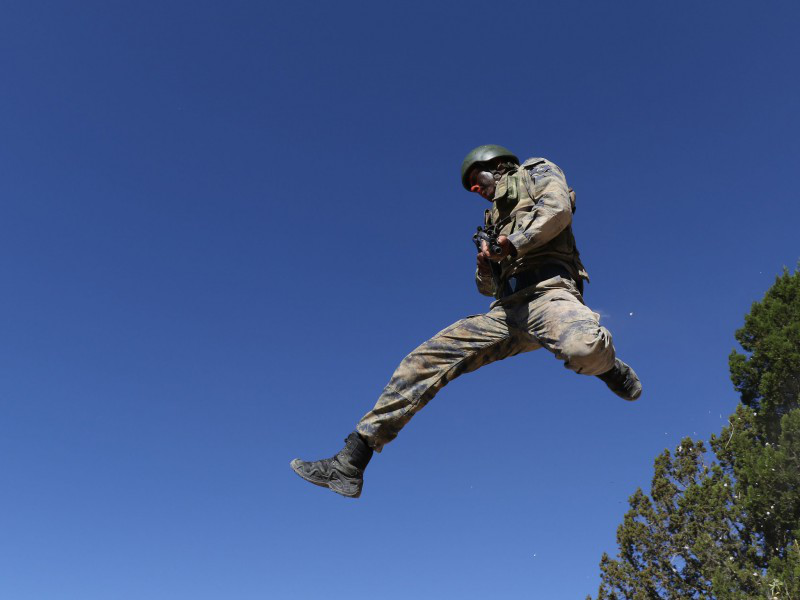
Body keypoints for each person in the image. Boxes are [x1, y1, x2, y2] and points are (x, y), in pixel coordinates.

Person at [290, 145, 642, 498]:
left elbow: (558, 210)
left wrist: (514, 243)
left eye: (480, 181)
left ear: (498, 165)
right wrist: (485, 265)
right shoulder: (492, 220)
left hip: (549, 294)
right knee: (425, 359)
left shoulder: (535, 170)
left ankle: (608, 367)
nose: (479, 191)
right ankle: (351, 461)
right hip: (506, 310)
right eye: (473, 189)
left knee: (583, 347)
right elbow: (484, 288)